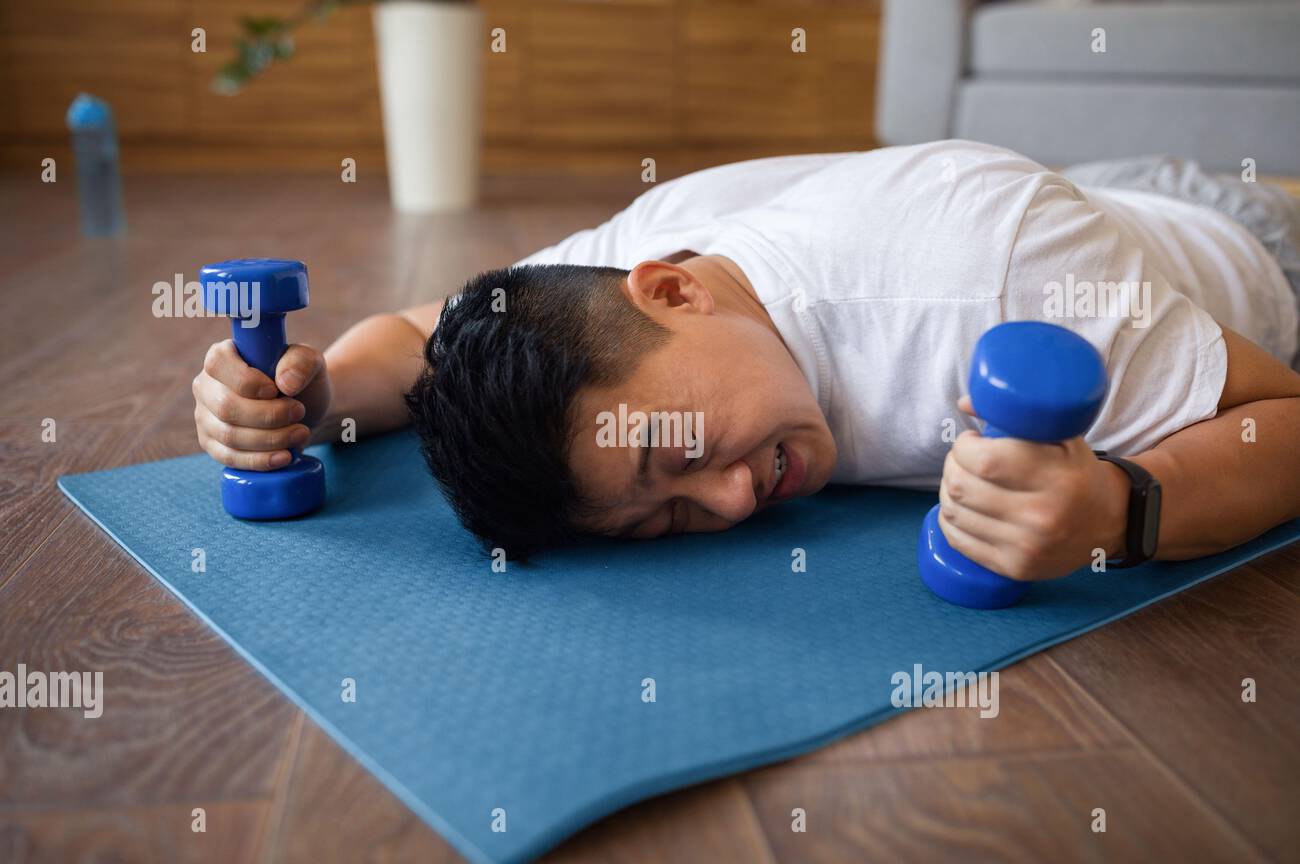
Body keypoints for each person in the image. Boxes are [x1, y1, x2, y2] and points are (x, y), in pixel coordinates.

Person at [191, 141, 1300, 578]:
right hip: (1075, 196)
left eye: (674, 450)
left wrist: (1122, 509)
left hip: (1239, 245)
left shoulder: (991, 282)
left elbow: (1281, 415)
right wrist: (311, 396)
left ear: (675, 292)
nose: (732, 496)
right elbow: (414, 339)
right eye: (668, 517)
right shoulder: (611, 285)